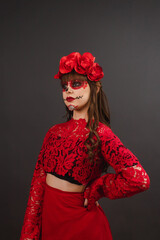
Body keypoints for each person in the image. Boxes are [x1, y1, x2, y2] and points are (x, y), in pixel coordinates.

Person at [20, 52, 150, 240]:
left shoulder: (101, 133)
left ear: (95, 88)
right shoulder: (53, 133)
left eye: (76, 84)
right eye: (64, 86)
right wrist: (28, 235)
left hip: (83, 227)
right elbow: (37, 188)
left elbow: (140, 180)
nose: (69, 91)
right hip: (51, 225)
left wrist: (100, 186)